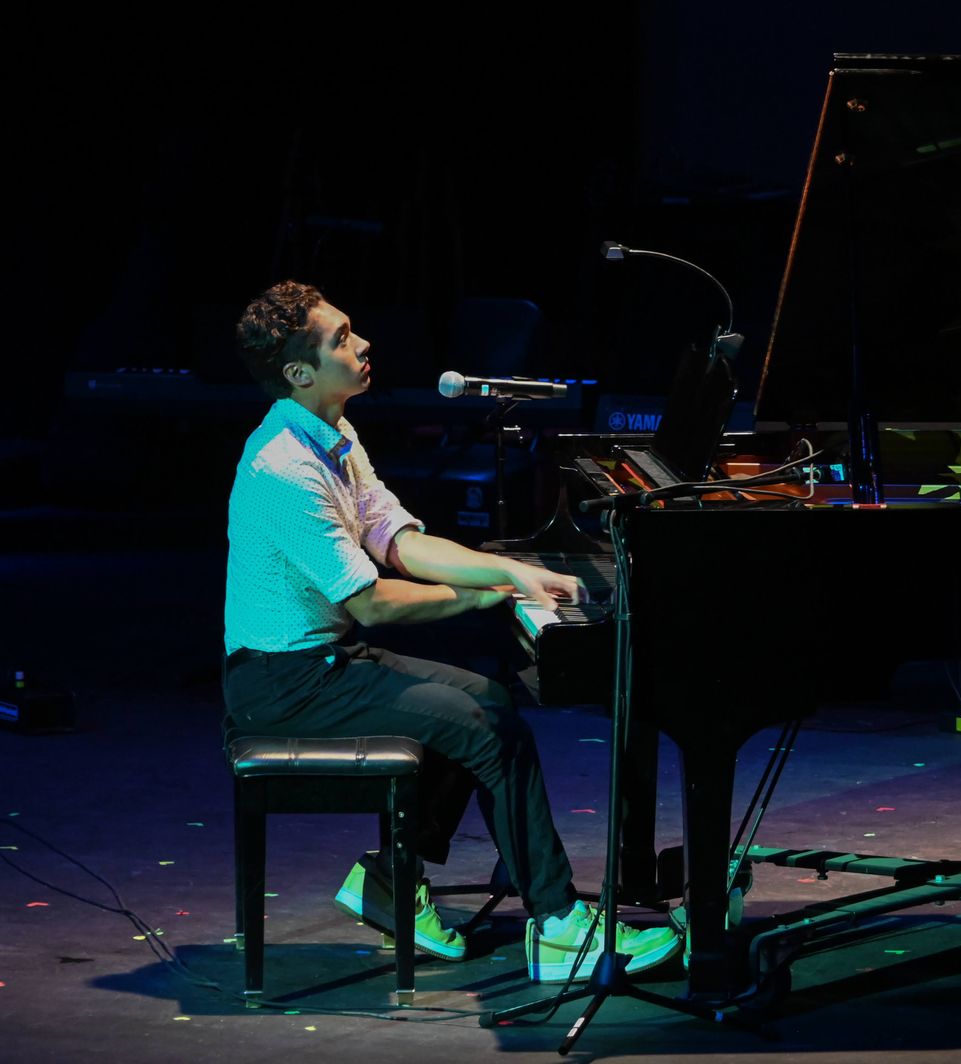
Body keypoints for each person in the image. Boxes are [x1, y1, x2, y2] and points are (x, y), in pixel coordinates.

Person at [221, 280, 678, 981]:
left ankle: (391, 882)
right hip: (282, 683)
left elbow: (400, 541)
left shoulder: (334, 436)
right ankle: (560, 927)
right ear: (299, 373)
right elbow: (372, 603)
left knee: (488, 700)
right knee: (484, 729)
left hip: (325, 662)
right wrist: (483, 593)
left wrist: (508, 571)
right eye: (341, 338)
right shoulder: (283, 466)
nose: (363, 343)